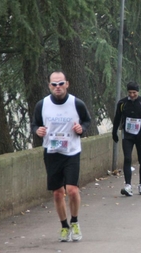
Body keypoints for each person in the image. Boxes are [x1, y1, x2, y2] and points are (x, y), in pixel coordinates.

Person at [31, 71, 91, 242]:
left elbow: (87, 120)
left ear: (67, 84)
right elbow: (35, 124)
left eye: (61, 83)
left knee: (72, 190)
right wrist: (38, 130)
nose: (58, 87)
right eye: (54, 84)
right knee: (58, 193)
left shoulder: (76, 103)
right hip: (52, 152)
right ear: (49, 86)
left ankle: (75, 222)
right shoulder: (42, 104)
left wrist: (82, 129)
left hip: (71, 151)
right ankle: (64, 226)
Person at [112, 81, 141, 197]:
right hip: (128, 135)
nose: (132, 95)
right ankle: (128, 186)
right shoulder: (122, 103)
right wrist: (114, 132)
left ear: (138, 92)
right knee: (127, 158)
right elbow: (117, 118)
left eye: (134, 93)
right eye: (130, 92)